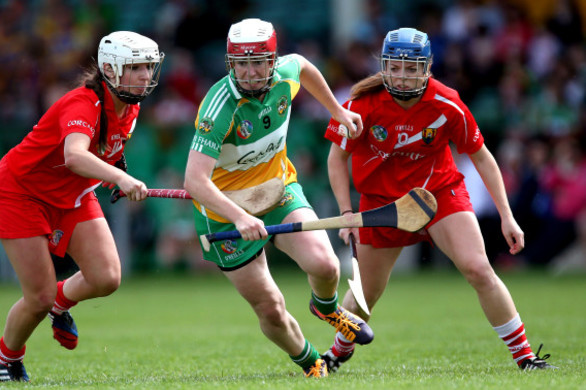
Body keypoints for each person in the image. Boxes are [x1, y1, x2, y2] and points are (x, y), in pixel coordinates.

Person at [323, 27, 556, 372]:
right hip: (381, 204)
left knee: (479, 269)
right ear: (384, 67)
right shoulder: (360, 105)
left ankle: (525, 357)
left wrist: (507, 215)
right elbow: (336, 159)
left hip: (439, 195)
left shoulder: (446, 102)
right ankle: (337, 353)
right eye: (396, 67)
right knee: (365, 294)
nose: (403, 77)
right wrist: (345, 211)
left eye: (412, 68)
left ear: (427, 67)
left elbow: (482, 158)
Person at [183, 18, 373, 378]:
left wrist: (337, 110)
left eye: (258, 62)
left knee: (327, 266)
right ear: (231, 63)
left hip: (277, 190)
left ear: (272, 60)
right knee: (271, 307)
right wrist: (239, 217)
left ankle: (326, 308)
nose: (250, 72)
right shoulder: (219, 107)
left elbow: (304, 65)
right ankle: (309, 361)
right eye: (242, 63)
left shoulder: (285, 72)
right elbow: (194, 181)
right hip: (225, 213)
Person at [0, 31, 164, 382]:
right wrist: (119, 178)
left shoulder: (131, 107)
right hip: (21, 192)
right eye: (137, 67)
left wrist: (117, 169)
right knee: (36, 297)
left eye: (149, 66)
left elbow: (106, 147)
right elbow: (74, 155)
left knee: (107, 277)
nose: (146, 74)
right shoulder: (82, 104)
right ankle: (7, 360)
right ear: (111, 70)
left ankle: (61, 302)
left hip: (72, 195)